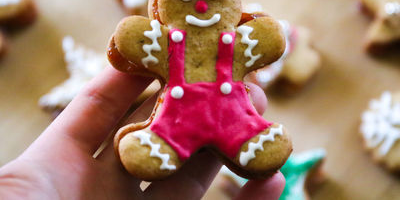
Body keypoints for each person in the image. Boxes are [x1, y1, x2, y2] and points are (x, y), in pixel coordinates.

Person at [0, 67, 285, 200]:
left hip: (229, 113)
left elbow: (266, 38)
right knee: (159, 140)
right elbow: (135, 39)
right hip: (172, 120)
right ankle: (153, 146)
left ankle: (254, 139)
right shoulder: (165, 43)